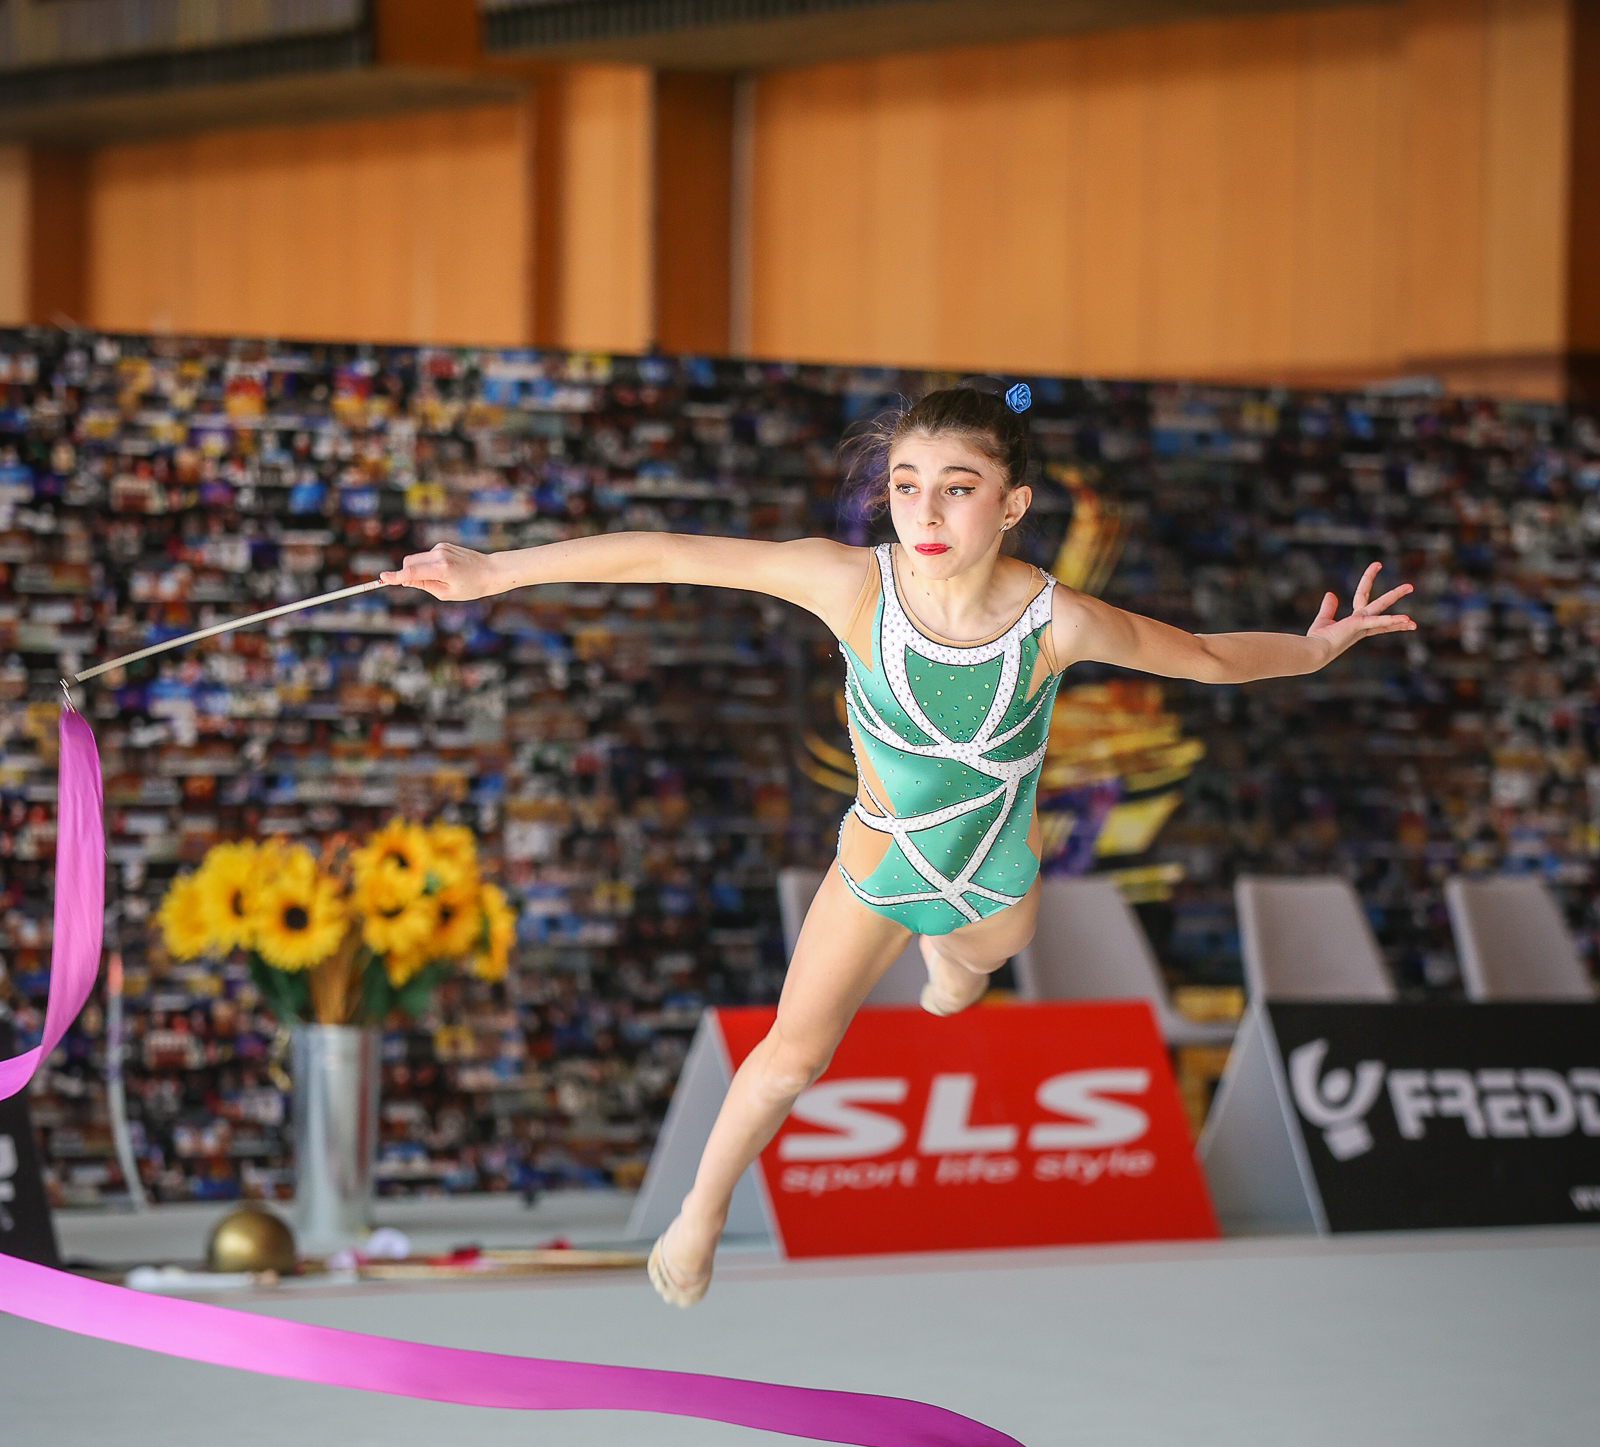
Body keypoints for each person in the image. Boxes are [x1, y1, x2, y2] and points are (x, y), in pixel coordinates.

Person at [383, 383, 1414, 1308]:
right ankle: (699, 1212)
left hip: (994, 884)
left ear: (1011, 505)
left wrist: (1313, 649)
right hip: (877, 867)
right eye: (907, 486)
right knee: (789, 1059)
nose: (924, 512)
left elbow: (1203, 658)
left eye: (957, 490)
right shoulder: (849, 584)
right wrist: (494, 571)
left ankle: (949, 971)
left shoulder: (1054, 621)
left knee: (963, 974)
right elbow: (666, 553)